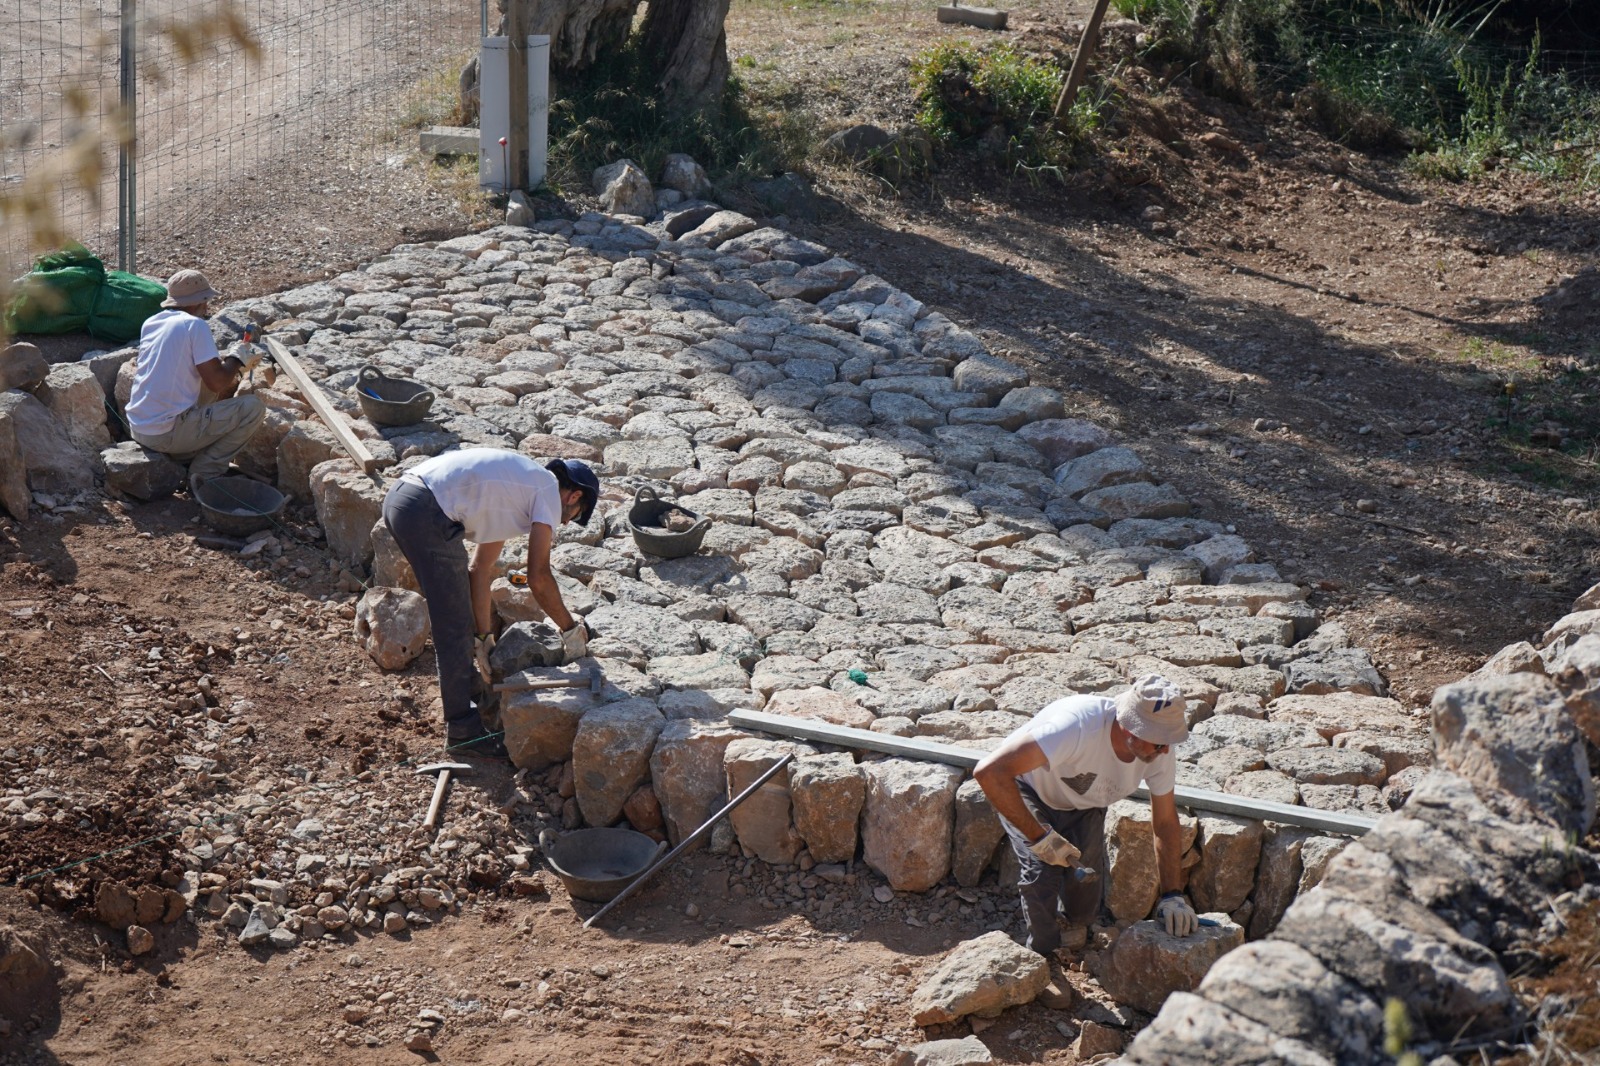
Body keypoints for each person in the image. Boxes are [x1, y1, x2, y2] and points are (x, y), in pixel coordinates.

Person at [381, 448, 599, 759]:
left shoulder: (521, 488)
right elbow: (538, 577)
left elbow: (479, 570)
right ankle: (463, 733)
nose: (564, 524)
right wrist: (570, 629)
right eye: (574, 516)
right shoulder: (549, 493)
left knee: (456, 618)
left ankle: (472, 697)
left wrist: (484, 638)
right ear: (574, 496)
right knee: (454, 627)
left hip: (405, 500)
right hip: (426, 511)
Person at [974, 674, 1199, 975]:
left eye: (1168, 742)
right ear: (1129, 726)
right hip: (1029, 790)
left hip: (1086, 803)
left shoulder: (1158, 750)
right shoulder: (1076, 726)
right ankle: (1041, 962)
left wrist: (1173, 894)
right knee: (1042, 872)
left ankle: (1076, 928)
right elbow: (990, 772)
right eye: (1159, 742)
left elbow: (1165, 822)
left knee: (1085, 877)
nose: (1165, 752)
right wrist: (1040, 838)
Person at [126, 269, 266, 493]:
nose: (207, 307)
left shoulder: (151, 322)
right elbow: (217, 382)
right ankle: (205, 471)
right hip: (165, 434)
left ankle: (189, 446)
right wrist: (237, 358)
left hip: (139, 427)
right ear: (199, 301)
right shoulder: (195, 325)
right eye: (206, 301)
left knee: (204, 385)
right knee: (253, 408)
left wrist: (228, 363)